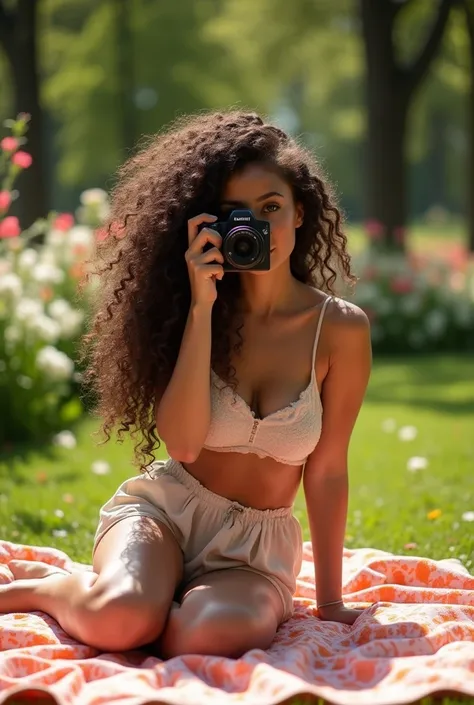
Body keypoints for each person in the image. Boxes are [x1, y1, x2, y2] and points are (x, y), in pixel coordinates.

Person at [0, 110, 372, 659]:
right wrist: (201, 306)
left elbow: (328, 467)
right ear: (210, 227)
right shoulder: (193, 313)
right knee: (121, 620)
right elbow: (183, 445)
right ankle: (47, 587)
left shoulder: (339, 328)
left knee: (206, 636)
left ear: (300, 213)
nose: (257, 229)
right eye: (235, 216)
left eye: (271, 208)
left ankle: (154, 598)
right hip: (165, 513)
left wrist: (331, 601)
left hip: (254, 550)